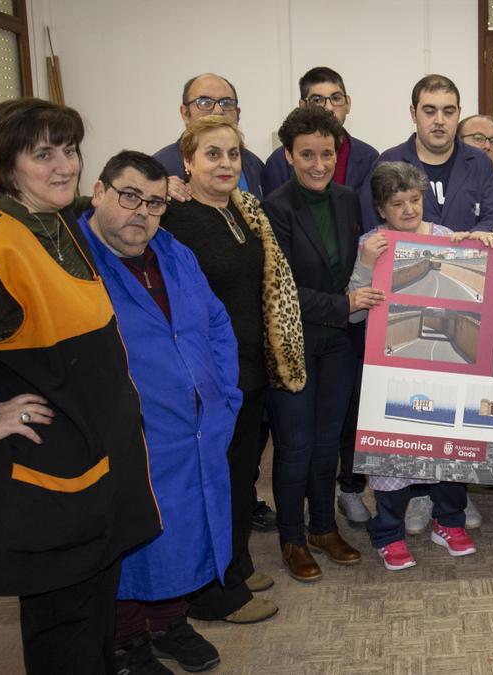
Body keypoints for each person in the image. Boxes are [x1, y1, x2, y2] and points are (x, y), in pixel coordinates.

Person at [0, 98, 160, 672]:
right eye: (42, 154)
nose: (64, 166)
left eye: (70, 150)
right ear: (6, 167)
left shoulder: (51, 222)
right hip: (49, 484)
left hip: (92, 470)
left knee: (92, 621)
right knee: (65, 637)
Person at [78, 151, 238, 674]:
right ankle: (126, 642)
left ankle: (170, 622)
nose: (141, 213)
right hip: (128, 434)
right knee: (133, 540)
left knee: (183, 528)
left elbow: (215, 322)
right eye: (129, 197)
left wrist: (224, 395)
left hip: (194, 427)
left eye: (154, 203)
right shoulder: (75, 263)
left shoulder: (173, 253)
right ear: (98, 192)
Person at [162, 115, 307, 624]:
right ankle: (212, 593)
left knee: (242, 477)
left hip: (249, 371)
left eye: (232, 155)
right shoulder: (174, 217)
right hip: (207, 376)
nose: (225, 164)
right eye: (212, 154)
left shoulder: (245, 210)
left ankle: (237, 563)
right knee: (212, 483)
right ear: (186, 162)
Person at [350, 161, 493, 569]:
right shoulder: (372, 243)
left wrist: (485, 243)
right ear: (381, 209)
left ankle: (448, 522)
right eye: (397, 204)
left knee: (449, 448)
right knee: (390, 456)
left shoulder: (449, 238)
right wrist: (365, 264)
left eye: (415, 200)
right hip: (391, 370)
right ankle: (389, 534)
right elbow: (353, 311)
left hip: (446, 373)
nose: (409, 210)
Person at [261, 106, 370, 583]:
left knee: (329, 445)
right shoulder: (275, 208)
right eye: (307, 154)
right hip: (293, 346)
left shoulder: (348, 201)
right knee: (295, 447)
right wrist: (344, 304)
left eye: (327, 153)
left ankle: (324, 528)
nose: (319, 164)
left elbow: (355, 269)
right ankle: (292, 538)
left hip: (339, 346)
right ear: (288, 155)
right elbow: (280, 289)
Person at [361, 74, 493, 232]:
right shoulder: (389, 162)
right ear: (414, 114)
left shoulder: (480, 162)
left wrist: (474, 238)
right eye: (430, 111)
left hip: (469, 254)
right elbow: (372, 223)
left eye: (449, 112)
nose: (440, 121)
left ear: (459, 113)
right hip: (403, 255)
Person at [262, 66, 379, 197]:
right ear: (303, 106)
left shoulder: (370, 158)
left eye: (336, 98)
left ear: (348, 103)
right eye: (317, 100)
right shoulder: (279, 161)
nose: (329, 107)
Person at [153, 73, 266, 198]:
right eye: (204, 102)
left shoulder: (254, 164)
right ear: (185, 113)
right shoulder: (158, 168)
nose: (218, 111)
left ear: (238, 114)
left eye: (227, 103)